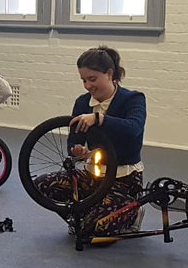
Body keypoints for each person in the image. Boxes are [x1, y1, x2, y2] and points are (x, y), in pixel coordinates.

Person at [46, 46, 147, 236]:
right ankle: (87, 214)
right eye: (83, 80)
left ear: (109, 74)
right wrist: (76, 151)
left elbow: (134, 128)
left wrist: (100, 118)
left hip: (123, 179)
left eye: (92, 79)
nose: (87, 85)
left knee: (91, 229)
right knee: (43, 187)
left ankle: (133, 210)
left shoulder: (133, 99)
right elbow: (74, 138)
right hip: (92, 175)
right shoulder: (82, 103)